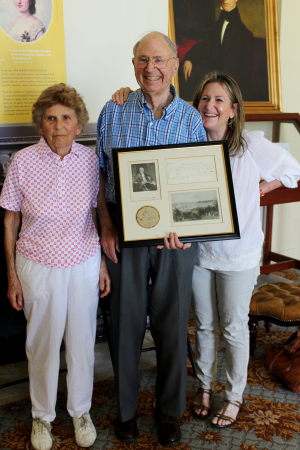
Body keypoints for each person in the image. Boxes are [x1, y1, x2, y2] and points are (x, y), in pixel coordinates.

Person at [111, 72, 300, 428]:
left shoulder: (250, 144)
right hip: (198, 252)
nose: (210, 106)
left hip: (238, 255)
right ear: (195, 104)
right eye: (204, 99)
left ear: (233, 109)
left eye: (219, 100)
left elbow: (294, 170)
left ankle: (233, 396)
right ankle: (204, 389)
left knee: (232, 327)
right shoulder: (190, 142)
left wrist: (259, 189)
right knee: (204, 325)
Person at [97, 31, 206, 446]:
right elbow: (101, 175)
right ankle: (126, 413)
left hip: (174, 236)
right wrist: (106, 226)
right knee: (124, 324)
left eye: (159, 59)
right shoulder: (114, 109)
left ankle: (169, 412)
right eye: (143, 60)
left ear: (174, 65)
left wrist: (191, 230)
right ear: (134, 65)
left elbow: (198, 180)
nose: (151, 68)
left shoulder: (190, 118)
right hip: (124, 231)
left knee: (173, 324)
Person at [0, 83, 111, 450]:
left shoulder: (89, 160)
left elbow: (97, 214)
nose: (59, 125)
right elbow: (10, 222)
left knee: (81, 343)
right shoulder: (23, 162)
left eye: (67, 117)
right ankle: (42, 418)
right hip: (37, 264)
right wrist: (12, 275)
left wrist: (102, 267)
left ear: (79, 125)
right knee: (43, 347)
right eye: (51, 118)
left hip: (82, 262)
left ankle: (80, 410)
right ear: (40, 124)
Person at [181, 0, 268, 101]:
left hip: (231, 92)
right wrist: (189, 59)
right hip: (214, 83)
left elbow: (246, 76)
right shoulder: (218, 25)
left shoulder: (245, 34)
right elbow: (205, 45)